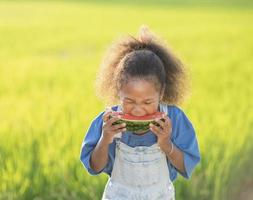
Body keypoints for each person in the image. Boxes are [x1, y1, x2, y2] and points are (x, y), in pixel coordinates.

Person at [80, 25, 200, 200]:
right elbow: (95, 167)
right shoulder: (109, 121)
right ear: (118, 91)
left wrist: (167, 145)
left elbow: (185, 167)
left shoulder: (174, 119)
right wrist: (105, 139)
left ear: (161, 93)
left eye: (147, 102)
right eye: (129, 101)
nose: (137, 110)